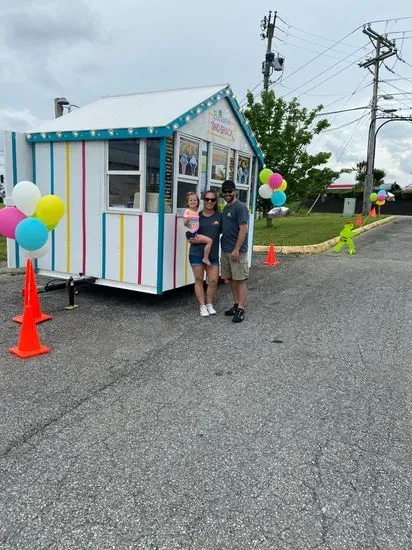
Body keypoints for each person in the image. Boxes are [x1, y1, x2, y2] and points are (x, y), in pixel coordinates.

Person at [188, 190, 222, 317]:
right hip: (196, 253)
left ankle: (209, 304)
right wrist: (191, 238)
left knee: (213, 281)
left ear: (215, 202)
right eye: (207, 199)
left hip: (212, 256)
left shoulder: (219, 217)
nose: (209, 201)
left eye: (212, 200)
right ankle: (202, 306)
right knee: (198, 280)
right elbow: (189, 235)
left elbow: (227, 232)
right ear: (203, 200)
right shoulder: (196, 216)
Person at [220, 180, 249, 323]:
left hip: (237, 251)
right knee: (231, 279)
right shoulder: (226, 208)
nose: (227, 194)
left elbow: (243, 228)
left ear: (235, 191)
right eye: (224, 192)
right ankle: (236, 304)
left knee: (240, 280)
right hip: (226, 250)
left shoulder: (240, 207)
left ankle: (241, 309)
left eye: (230, 191)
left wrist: (237, 249)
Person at [183, 192, 213, 266]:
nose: (193, 202)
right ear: (187, 203)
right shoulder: (187, 211)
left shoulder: (196, 212)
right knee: (209, 241)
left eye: (195, 200)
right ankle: (205, 258)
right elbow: (185, 223)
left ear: (198, 202)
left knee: (208, 241)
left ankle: (204, 257)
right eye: (190, 200)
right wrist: (190, 218)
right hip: (192, 233)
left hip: (194, 232)